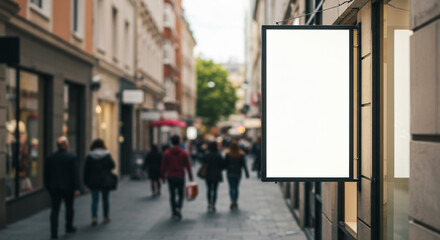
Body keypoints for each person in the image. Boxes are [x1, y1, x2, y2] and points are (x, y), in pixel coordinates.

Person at [44, 136, 80, 239]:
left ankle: (53, 233)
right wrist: (77, 188)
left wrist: (48, 186)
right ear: (66, 146)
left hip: (54, 188)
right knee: (69, 208)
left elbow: (46, 174)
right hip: (68, 188)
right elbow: (74, 174)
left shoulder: (50, 158)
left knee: (55, 210)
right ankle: (69, 227)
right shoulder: (71, 158)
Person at [161, 135, 193, 220]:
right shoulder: (183, 153)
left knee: (172, 195)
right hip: (180, 176)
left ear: (171, 142)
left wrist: (162, 177)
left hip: (170, 176)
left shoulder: (167, 153)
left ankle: (174, 211)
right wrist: (190, 176)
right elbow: (188, 165)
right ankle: (179, 207)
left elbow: (163, 166)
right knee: (180, 194)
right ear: (179, 142)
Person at [84, 139, 116, 226]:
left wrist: (86, 181)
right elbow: (113, 165)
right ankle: (106, 216)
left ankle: (94, 218)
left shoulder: (90, 156)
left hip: (93, 180)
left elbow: (86, 170)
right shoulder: (106, 155)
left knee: (94, 200)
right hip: (104, 180)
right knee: (105, 199)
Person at [225, 140, 249, 210]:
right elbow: (244, 165)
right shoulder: (241, 154)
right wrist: (247, 173)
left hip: (230, 173)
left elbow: (225, 164)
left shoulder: (228, 154)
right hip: (238, 173)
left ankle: (232, 200)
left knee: (231, 187)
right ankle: (235, 201)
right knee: (236, 187)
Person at [202, 141, 224, 212]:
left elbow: (203, 162)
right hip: (216, 174)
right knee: (215, 190)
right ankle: (213, 204)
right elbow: (222, 165)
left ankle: (209, 203)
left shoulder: (207, 154)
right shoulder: (218, 154)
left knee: (209, 189)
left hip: (208, 174)